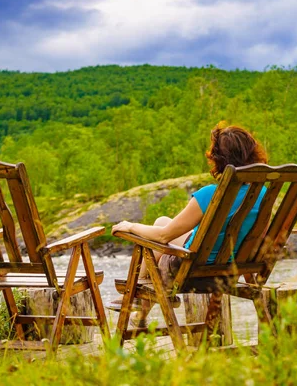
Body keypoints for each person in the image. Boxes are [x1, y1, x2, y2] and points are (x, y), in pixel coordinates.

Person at [111, 123, 268, 326]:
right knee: (162, 222)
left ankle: (135, 301)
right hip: (235, 268)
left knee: (150, 240)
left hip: (193, 270)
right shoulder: (263, 194)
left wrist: (131, 227)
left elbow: (163, 237)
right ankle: (139, 313)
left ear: (218, 159)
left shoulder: (209, 195)